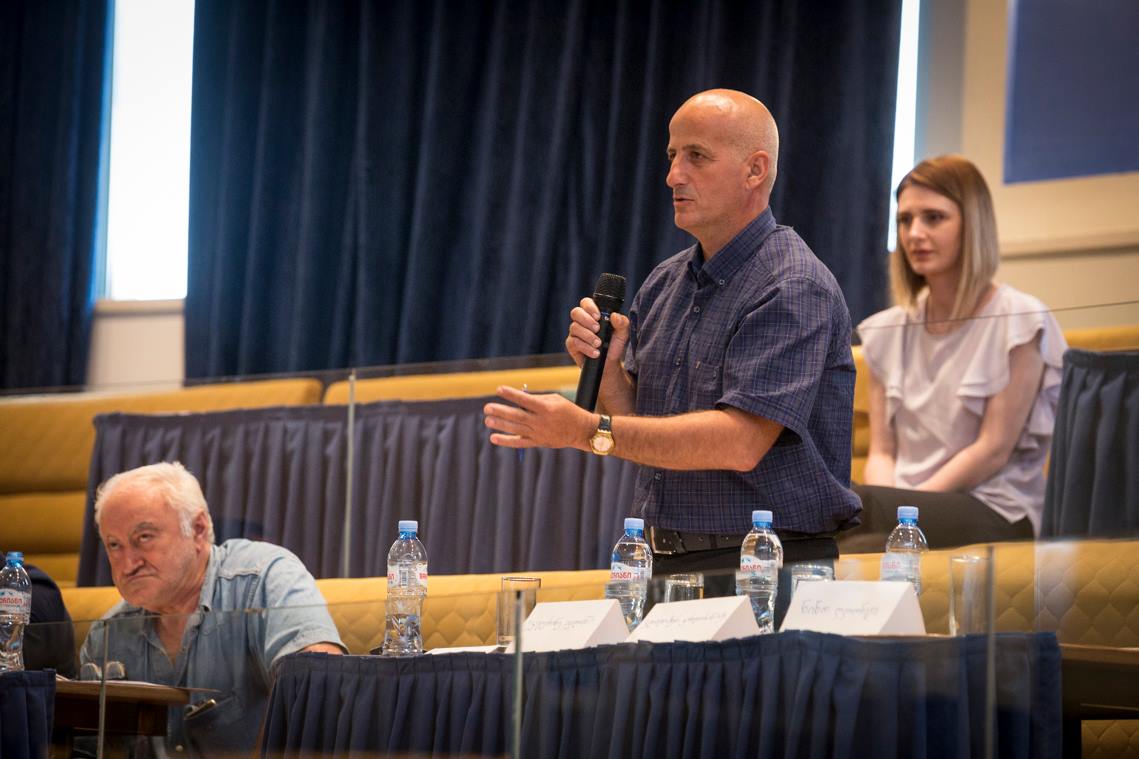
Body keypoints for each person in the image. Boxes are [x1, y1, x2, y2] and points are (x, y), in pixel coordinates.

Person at [483, 89, 861, 609]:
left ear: (755, 170)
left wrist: (585, 430)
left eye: (696, 156)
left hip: (766, 572)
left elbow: (741, 442)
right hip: (661, 563)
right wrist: (609, 373)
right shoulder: (665, 282)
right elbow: (643, 425)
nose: (673, 176)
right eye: (672, 155)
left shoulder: (792, 284)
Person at [844, 155, 1066, 552]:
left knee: (849, 506)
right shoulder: (884, 331)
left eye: (934, 218)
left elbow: (992, 450)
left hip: (995, 508)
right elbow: (882, 451)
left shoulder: (1022, 320)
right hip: (899, 506)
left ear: (973, 223)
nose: (915, 233)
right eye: (905, 220)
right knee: (858, 538)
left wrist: (899, 511)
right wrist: (897, 510)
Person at [79, 462, 344, 756]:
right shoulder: (106, 636)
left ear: (198, 529)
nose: (128, 564)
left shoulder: (265, 579)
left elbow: (319, 689)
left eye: (144, 537)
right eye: (114, 545)